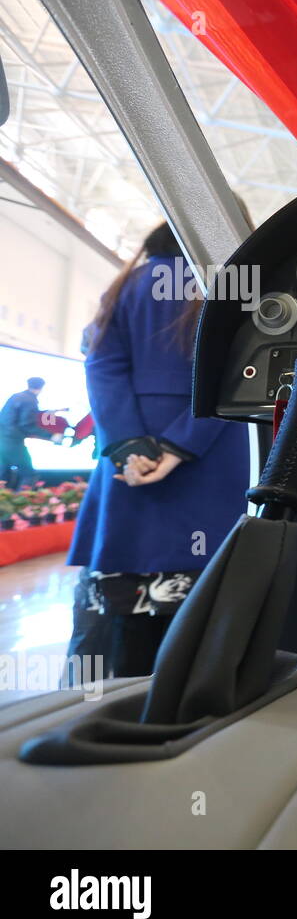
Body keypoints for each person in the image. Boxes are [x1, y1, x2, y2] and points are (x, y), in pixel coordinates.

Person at [66, 220, 251, 677]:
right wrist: (180, 445)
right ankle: (189, 715)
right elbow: (237, 372)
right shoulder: (231, 284)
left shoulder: (128, 285)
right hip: (209, 452)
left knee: (124, 598)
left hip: (129, 457)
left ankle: (115, 705)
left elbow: (102, 366)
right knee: (201, 601)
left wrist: (129, 443)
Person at [0, 377, 56, 488]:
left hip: (2, 440)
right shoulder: (30, 400)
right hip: (13, 442)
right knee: (29, 475)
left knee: (3, 476)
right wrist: (51, 435)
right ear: (41, 387)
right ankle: (22, 502)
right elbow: (27, 425)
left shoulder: (15, 397)